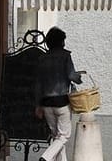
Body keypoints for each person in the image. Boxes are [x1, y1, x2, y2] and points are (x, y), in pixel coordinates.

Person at [35, 28, 82, 161]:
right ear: (61, 42)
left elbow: (38, 83)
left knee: (57, 137)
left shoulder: (42, 59)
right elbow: (71, 75)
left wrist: (38, 105)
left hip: (46, 103)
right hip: (62, 102)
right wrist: (78, 77)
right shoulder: (65, 56)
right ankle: (46, 157)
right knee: (63, 136)